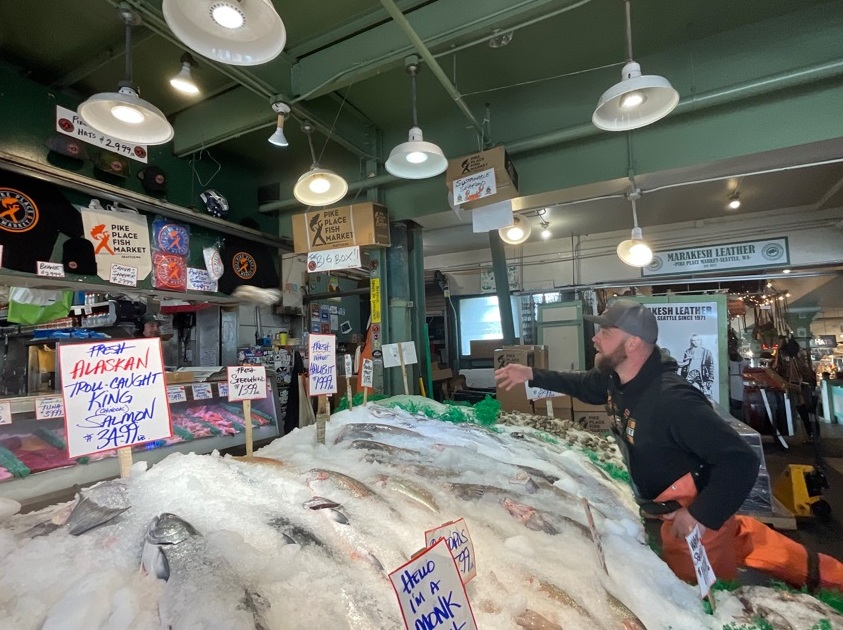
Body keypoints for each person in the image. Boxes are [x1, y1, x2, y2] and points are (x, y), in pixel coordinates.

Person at [495, 299, 843, 591]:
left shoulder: (671, 400)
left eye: (605, 332)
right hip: (670, 510)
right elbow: (587, 385)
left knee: (698, 598)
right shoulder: (620, 380)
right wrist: (532, 375)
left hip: (692, 519)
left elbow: (740, 461)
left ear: (632, 343)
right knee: (745, 546)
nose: (595, 339)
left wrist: (700, 516)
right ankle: (819, 570)